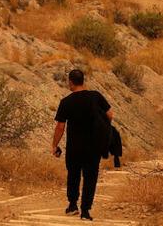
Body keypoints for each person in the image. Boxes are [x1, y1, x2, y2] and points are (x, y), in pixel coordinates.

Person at [52, 68, 113, 221]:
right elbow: (110, 114)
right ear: (83, 80)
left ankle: (73, 205)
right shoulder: (95, 96)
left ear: (71, 82)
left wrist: (54, 145)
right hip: (93, 146)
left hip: (74, 147)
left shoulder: (66, 102)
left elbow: (60, 126)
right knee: (90, 177)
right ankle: (85, 210)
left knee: (73, 175)